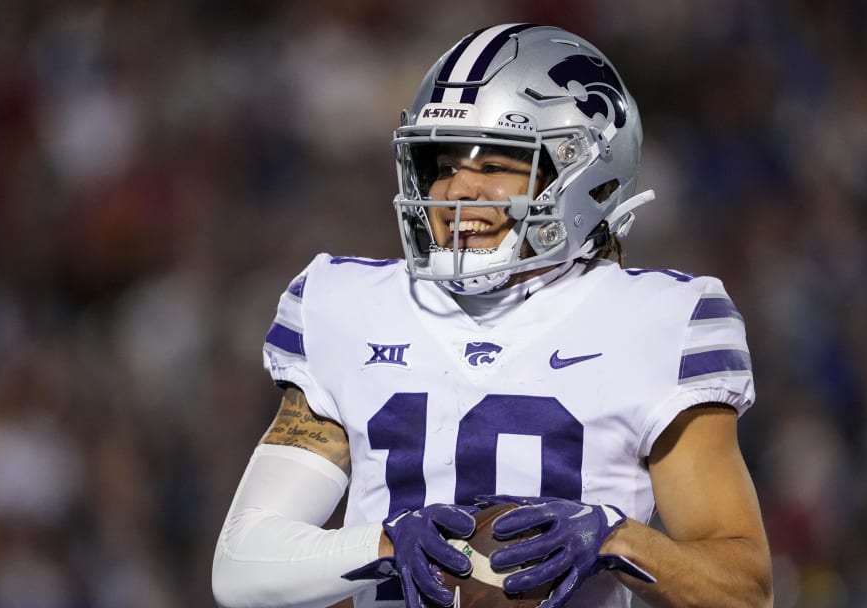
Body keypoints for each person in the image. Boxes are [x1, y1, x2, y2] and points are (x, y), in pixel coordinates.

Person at [211, 23, 772, 608]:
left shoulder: (662, 319)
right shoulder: (345, 304)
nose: (458, 189)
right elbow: (242, 568)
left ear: (583, 175)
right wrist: (382, 546)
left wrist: (616, 539)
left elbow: (742, 590)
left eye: (497, 164)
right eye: (444, 163)